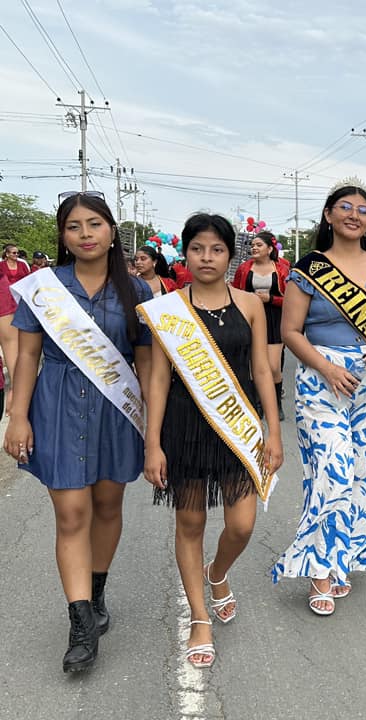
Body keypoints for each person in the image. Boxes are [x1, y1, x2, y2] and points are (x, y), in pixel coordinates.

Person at [2, 192, 152, 672]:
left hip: (115, 410)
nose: (85, 234)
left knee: (107, 506)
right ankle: (81, 626)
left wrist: (155, 428)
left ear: (112, 230)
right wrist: (18, 415)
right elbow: (27, 355)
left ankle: (97, 590)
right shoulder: (44, 288)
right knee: (71, 514)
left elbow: (147, 363)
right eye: (74, 226)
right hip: (57, 405)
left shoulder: (137, 291)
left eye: (94, 224)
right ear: (63, 236)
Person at [144, 213, 282, 669]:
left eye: (217, 249)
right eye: (198, 248)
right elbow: (159, 379)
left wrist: (274, 431)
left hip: (236, 426)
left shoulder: (250, 304)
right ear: (185, 253)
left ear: (230, 255)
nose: (207, 257)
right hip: (183, 427)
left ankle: (217, 572)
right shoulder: (169, 308)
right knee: (190, 523)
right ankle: (199, 617)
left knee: (241, 525)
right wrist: (152, 443)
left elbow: (262, 370)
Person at [272, 179, 366, 616]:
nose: (354, 215)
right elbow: (290, 331)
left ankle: (341, 557)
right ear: (329, 215)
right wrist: (327, 368)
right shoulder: (308, 269)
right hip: (321, 376)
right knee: (332, 469)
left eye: (363, 210)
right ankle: (319, 570)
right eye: (345, 207)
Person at [232, 230, 291, 420]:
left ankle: (276, 403)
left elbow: (290, 299)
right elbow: (235, 292)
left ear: (270, 249)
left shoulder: (282, 268)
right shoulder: (244, 268)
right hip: (250, 317)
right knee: (253, 365)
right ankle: (257, 404)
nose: (254, 248)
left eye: (259, 245)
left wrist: (270, 299)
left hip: (274, 318)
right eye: (252, 245)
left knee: (273, 367)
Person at [0, 242, 33, 399]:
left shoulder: (22, 265)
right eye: (13, 252)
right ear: (6, 254)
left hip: (17, 301)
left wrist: (17, 390)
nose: (16, 255)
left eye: (17, 252)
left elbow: (10, 341)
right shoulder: (2, 267)